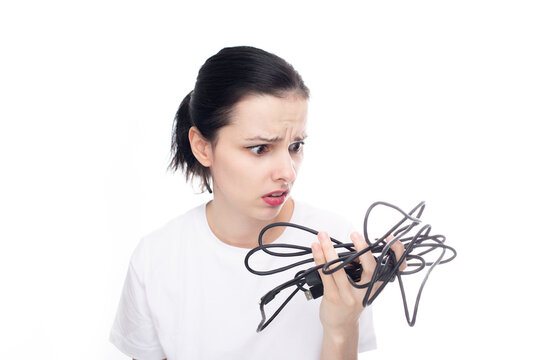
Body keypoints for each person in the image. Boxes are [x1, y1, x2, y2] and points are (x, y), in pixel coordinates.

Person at [110, 46, 406, 360]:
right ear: (202, 147)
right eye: (260, 148)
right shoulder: (157, 260)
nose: (287, 172)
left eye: (296, 146)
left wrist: (341, 329)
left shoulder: (338, 247)